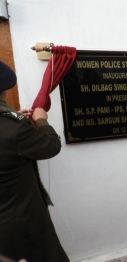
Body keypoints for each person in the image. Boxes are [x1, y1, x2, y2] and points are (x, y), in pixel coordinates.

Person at [0, 61, 69, 262]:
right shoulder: (14, 129)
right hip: (18, 221)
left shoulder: (11, 126)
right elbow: (50, 146)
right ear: (4, 90)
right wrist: (41, 120)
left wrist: (14, 121)